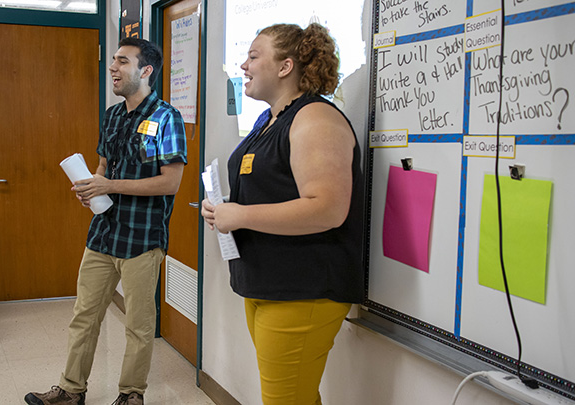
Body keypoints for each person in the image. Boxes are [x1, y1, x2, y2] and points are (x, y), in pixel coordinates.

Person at [201, 23, 364, 405]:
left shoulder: (315, 119)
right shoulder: (270, 120)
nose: (243, 65)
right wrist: (226, 210)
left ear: (285, 66)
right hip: (266, 283)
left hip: (303, 288)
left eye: (254, 56)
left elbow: (327, 208)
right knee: (294, 397)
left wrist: (240, 216)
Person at [25, 37, 187, 405]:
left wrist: (110, 184)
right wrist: (92, 188)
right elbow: (102, 165)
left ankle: (131, 395)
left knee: (138, 326)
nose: (112, 68)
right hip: (103, 232)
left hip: (143, 237)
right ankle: (70, 390)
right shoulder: (113, 115)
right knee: (84, 315)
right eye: (112, 60)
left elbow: (171, 181)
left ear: (145, 71)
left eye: (122, 62)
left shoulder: (166, 117)